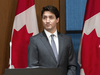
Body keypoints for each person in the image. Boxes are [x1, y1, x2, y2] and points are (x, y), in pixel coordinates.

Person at [27, 5, 77, 75]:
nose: (47, 21)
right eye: (45, 18)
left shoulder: (67, 40)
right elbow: (33, 68)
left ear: (57, 20)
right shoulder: (35, 40)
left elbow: (72, 66)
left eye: (51, 17)